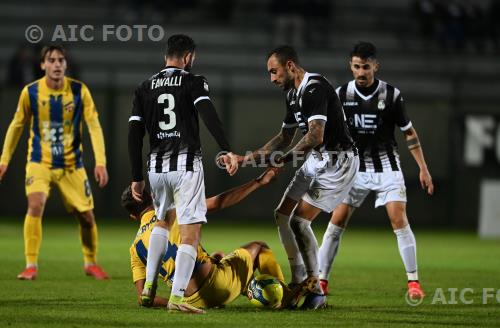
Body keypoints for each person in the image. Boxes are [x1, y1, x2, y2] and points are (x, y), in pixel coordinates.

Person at [236, 46, 359, 309]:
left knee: (300, 222)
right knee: (282, 215)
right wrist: (244, 159)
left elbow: (316, 135)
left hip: (338, 162)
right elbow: (284, 138)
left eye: (274, 72)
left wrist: (283, 159)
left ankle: (316, 290)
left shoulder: (315, 89)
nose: (272, 79)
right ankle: (299, 278)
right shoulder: (292, 94)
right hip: (316, 159)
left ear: (290, 66)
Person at [127, 34, 239, 313]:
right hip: (186, 166)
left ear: (167, 55)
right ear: (188, 57)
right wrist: (226, 148)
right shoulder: (193, 81)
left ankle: (150, 286)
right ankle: (177, 298)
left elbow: (133, 133)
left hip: (156, 168)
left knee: (162, 223)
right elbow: (208, 114)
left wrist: (136, 176)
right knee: (190, 234)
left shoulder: (144, 87)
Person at [317, 42, 434, 299]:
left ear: (375, 66)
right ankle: (321, 281)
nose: (361, 72)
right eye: (357, 67)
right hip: (353, 169)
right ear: (351, 66)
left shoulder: (391, 95)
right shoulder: (340, 95)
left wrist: (423, 168)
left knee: (398, 218)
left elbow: (409, 133)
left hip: (387, 167)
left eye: (366, 67)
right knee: (336, 222)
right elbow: (329, 133)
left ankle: (413, 282)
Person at [122, 169, 314, 310]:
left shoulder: (134, 249)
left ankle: (249, 288)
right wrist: (258, 182)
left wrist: (180, 302)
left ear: (133, 217)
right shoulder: (174, 212)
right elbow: (220, 201)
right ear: (152, 196)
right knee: (259, 248)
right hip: (217, 285)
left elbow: (143, 298)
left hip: (189, 298)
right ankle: (284, 297)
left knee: (219, 256)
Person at [0, 45, 109, 280]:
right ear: (43, 65)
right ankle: (31, 265)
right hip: (40, 162)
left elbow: (94, 126)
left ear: (66, 65)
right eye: (51, 60)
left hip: (72, 165)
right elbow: (17, 126)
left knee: (87, 216)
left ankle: (90, 262)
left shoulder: (80, 91)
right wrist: (4, 159)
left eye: (61, 60)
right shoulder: (30, 92)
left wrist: (100, 162)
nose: (57, 64)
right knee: (35, 205)